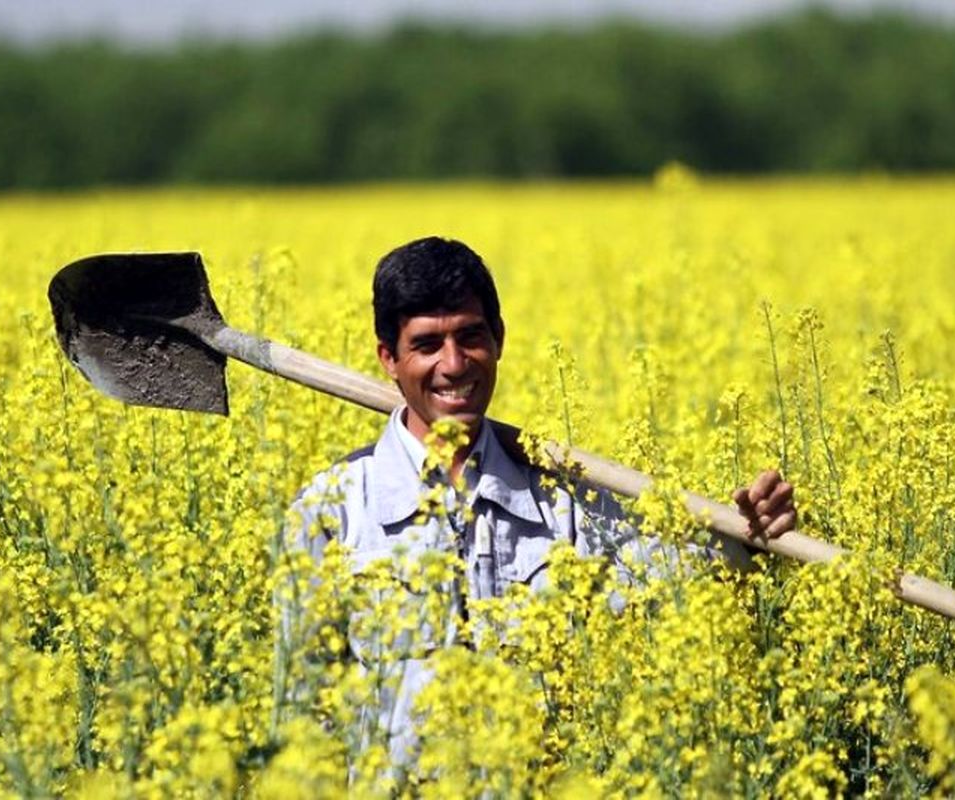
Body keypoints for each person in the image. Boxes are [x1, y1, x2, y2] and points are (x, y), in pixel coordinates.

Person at [278, 236, 796, 760]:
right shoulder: (334, 510)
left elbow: (681, 576)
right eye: (428, 344)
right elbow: (303, 715)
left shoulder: (565, 503)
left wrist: (749, 532)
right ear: (389, 358)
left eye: (470, 336)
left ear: (499, 339)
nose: (455, 364)